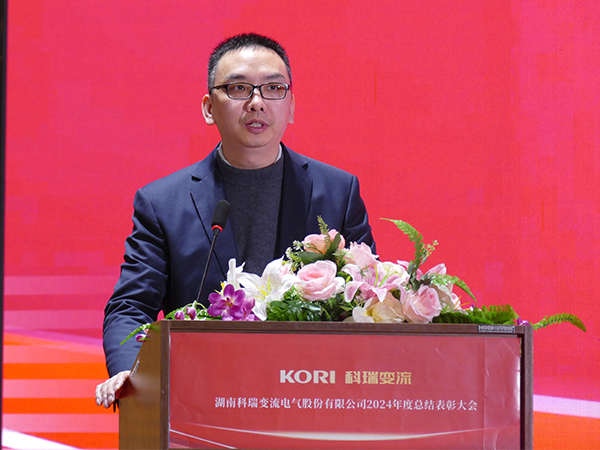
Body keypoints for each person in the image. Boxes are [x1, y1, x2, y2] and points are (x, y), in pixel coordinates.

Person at [95, 33, 375, 408]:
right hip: (200, 401)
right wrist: (134, 371)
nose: (257, 102)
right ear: (209, 108)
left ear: (291, 106)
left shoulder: (338, 193)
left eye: (273, 88)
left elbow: (366, 298)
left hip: (312, 399)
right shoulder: (162, 203)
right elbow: (131, 307)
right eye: (239, 88)